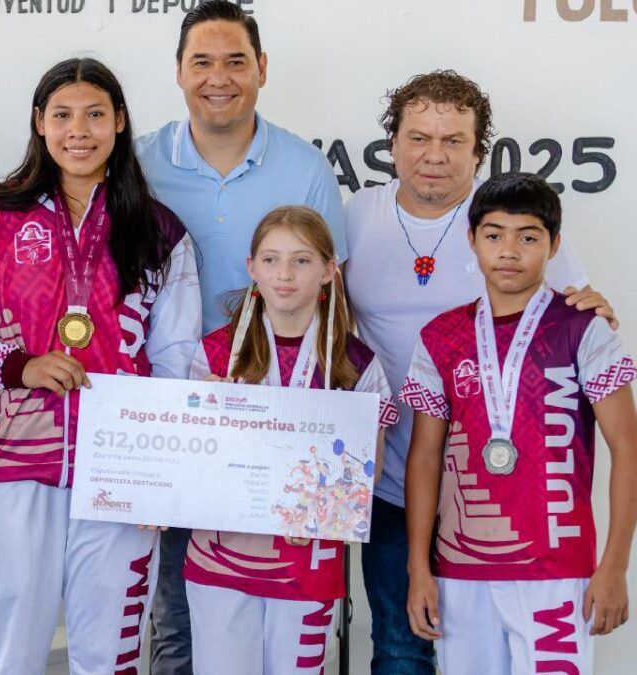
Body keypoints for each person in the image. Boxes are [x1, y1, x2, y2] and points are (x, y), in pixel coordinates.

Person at [343, 70, 616, 674]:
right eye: (418, 137)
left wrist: (599, 307)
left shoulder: (505, 221)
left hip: (507, 492)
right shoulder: (357, 216)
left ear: (478, 149)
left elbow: (576, 311)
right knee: (398, 645)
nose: (434, 156)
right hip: (394, 478)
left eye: (453, 141)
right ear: (393, 145)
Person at [0, 57, 201, 674]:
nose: (78, 130)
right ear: (39, 122)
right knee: (11, 651)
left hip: (122, 470)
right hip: (10, 464)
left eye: (94, 115)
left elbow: (176, 360)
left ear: (119, 123)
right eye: (62, 115)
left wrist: (160, 473)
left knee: (109, 656)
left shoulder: (159, 231)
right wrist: (18, 365)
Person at [136, 3, 346, 668]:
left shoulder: (306, 167)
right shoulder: (138, 165)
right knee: (177, 614)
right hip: (177, 414)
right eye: (201, 61)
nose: (218, 77)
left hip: (283, 428)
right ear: (177, 72)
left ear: (262, 69)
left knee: (282, 621)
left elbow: (337, 296)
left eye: (235, 61)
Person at [400, 172, 637, 674]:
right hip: (460, 569)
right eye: (494, 234)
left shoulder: (582, 329)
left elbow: (628, 447)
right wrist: (418, 568)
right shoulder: (442, 336)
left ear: (553, 244)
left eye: (528, 237)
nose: (509, 250)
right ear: (472, 240)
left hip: (556, 566)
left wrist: (615, 565)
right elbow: (423, 459)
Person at [185, 206, 396, 674]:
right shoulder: (216, 354)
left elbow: (369, 471)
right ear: (251, 268)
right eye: (271, 259)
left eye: (301, 261)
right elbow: (191, 464)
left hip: (307, 563)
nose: (284, 275)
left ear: (328, 270)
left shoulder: (355, 364)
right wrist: (207, 415)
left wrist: (324, 504)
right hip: (221, 562)